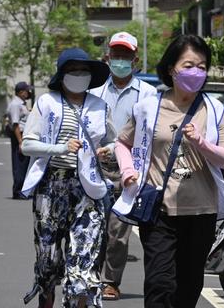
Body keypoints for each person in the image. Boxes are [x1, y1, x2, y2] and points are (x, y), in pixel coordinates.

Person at [112, 35, 224, 308]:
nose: (196, 72)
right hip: (159, 211)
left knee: (188, 286)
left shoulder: (214, 109)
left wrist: (201, 143)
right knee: (160, 284)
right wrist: (127, 172)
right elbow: (123, 143)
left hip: (201, 213)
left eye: (202, 66)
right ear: (172, 68)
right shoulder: (148, 106)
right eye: (189, 65)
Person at [21, 47, 116, 308]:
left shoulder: (100, 107)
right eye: (73, 70)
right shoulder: (46, 102)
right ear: (62, 74)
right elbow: (27, 145)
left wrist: (109, 151)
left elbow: (116, 142)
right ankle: (47, 300)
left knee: (84, 260)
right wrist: (59, 149)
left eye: (84, 71)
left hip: (88, 189)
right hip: (51, 187)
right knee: (48, 261)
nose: (79, 75)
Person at [88, 31, 157, 300]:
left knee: (118, 230)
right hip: (95, 168)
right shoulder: (94, 93)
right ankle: (90, 274)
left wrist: (120, 150)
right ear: (107, 57)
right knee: (94, 225)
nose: (119, 60)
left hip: (129, 170)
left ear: (135, 59)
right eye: (115, 54)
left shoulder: (149, 94)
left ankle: (110, 281)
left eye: (125, 55)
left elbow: (149, 134)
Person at [7, 81, 32, 199]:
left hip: (24, 135)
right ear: (21, 92)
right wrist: (20, 142)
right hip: (19, 136)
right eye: (27, 91)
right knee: (19, 164)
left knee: (25, 164)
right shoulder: (15, 105)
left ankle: (23, 190)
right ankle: (18, 191)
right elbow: (15, 125)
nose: (28, 93)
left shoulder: (21, 104)